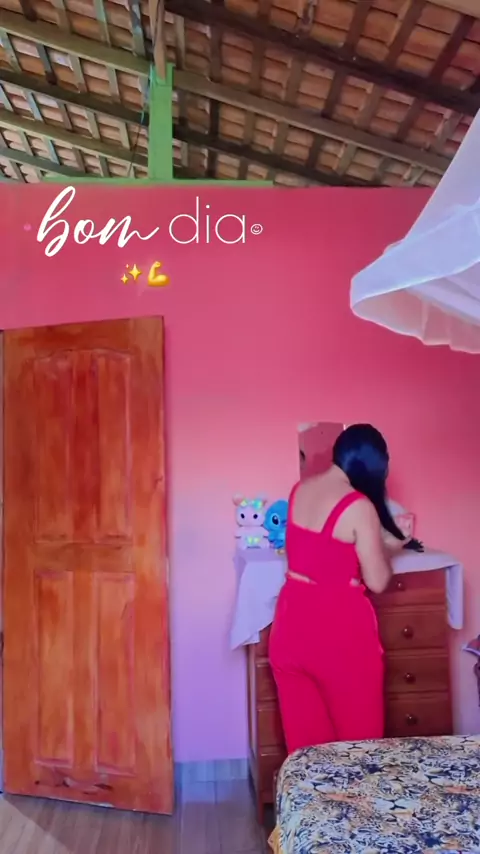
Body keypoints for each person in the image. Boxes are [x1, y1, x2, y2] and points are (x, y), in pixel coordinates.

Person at [269, 423, 422, 754]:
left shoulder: (300, 490)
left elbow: (323, 554)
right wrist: (393, 546)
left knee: (308, 757)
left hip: (290, 627)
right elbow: (378, 580)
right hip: (338, 634)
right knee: (359, 753)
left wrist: (379, 542)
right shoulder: (358, 506)